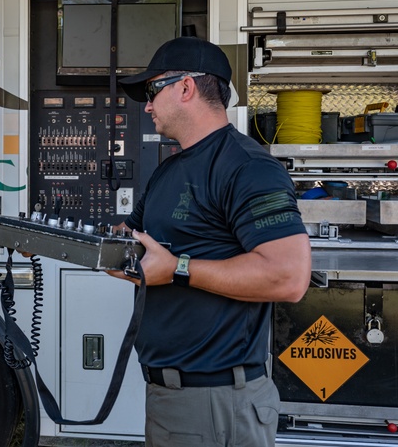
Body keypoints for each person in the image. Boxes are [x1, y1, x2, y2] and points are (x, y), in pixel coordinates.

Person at [106, 36, 311, 447]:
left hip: (219, 405)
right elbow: (140, 253)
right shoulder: (168, 171)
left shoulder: (248, 167)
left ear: (186, 87)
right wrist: (51, 241)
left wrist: (179, 269)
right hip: (170, 399)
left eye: (152, 91)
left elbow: (288, 278)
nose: (146, 106)